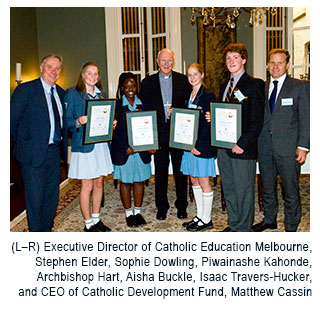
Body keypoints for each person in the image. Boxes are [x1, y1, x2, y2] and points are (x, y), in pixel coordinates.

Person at [207, 43, 265, 232]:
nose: (231, 61)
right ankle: (234, 223)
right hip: (223, 147)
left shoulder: (254, 84)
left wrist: (242, 144)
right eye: (228, 58)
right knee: (229, 189)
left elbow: (256, 120)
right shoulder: (225, 85)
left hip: (242, 149)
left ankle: (244, 229)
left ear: (244, 60)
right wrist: (212, 117)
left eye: (235, 57)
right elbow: (226, 113)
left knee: (244, 191)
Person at [253, 49, 310, 232]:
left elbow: (306, 118)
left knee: (290, 190)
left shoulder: (299, 86)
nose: (275, 66)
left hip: (288, 148)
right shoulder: (262, 87)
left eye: (279, 63)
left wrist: (303, 147)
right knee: (267, 187)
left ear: (287, 65)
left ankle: (291, 225)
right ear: (268, 65)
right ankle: (270, 219)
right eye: (272, 63)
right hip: (265, 147)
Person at [10, 55, 67, 231]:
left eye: (57, 68)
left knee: (51, 196)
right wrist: (24, 143)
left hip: (54, 152)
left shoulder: (61, 92)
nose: (54, 71)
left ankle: (47, 230)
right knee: (35, 199)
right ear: (41, 68)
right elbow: (11, 120)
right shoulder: (26, 90)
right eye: (50, 67)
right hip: (32, 155)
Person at [140, 48, 191, 220]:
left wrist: (178, 111)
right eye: (163, 61)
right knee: (160, 173)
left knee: (180, 172)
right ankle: (162, 206)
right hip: (158, 134)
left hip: (178, 133)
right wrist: (149, 140)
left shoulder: (183, 80)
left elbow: (188, 107)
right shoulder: (147, 83)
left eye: (169, 61)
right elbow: (144, 111)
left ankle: (181, 206)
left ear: (173, 62)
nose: (166, 64)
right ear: (157, 61)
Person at [65, 61, 113, 232]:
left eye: (96, 74)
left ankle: (96, 219)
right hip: (84, 147)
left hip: (100, 146)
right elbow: (66, 123)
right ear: (83, 75)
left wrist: (110, 124)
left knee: (99, 182)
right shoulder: (73, 94)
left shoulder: (101, 95)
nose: (93, 77)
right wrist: (78, 121)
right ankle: (88, 224)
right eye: (89, 73)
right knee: (87, 185)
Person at [111, 73, 152, 227]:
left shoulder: (144, 105)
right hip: (125, 153)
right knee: (126, 183)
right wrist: (125, 148)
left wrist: (152, 145)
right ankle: (129, 213)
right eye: (127, 86)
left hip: (141, 152)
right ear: (122, 88)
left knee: (139, 181)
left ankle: (138, 212)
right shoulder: (115, 106)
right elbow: (113, 132)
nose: (130, 89)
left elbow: (150, 128)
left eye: (133, 86)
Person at [180, 63, 217, 231]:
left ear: (202, 75)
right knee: (193, 179)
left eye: (195, 74)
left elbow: (209, 124)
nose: (192, 77)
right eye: (189, 75)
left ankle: (207, 219)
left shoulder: (208, 95)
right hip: (189, 146)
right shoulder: (188, 95)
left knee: (203, 181)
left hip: (201, 147)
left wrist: (199, 146)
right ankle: (199, 215)